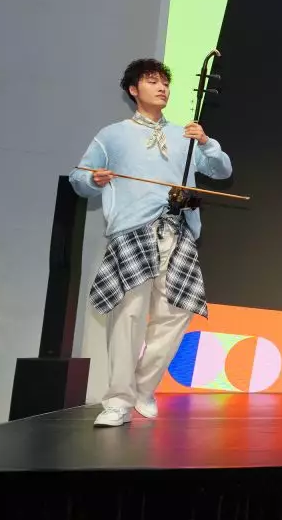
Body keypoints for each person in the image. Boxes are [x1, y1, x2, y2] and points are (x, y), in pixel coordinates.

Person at [70, 58, 233, 427]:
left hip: (178, 230)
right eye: (152, 81)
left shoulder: (184, 134)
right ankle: (118, 401)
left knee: (177, 312)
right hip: (132, 232)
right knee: (127, 316)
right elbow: (79, 178)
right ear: (133, 90)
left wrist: (206, 142)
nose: (161, 87)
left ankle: (143, 387)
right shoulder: (112, 135)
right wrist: (93, 179)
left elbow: (222, 170)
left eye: (165, 82)